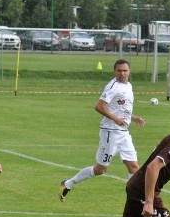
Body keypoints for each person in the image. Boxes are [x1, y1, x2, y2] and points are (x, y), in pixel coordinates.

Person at [59, 59, 145, 201]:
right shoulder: (113, 87)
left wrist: (133, 118)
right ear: (114, 71)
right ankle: (68, 183)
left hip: (123, 133)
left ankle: (133, 200)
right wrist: (115, 119)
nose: (122, 73)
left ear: (129, 71)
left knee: (134, 167)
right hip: (110, 133)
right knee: (100, 170)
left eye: (125, 70)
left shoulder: (128, 85)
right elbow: (99, 106)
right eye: (119, 70)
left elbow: (121, 108)